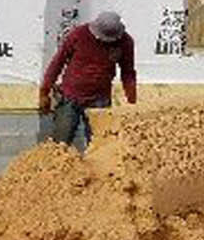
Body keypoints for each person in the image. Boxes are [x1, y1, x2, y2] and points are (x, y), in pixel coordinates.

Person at [38, 11, 137, 148]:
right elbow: (57, 62)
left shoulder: (125, 42)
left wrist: (132, 102)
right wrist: (44, 92)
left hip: (99, 100)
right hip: (70, 97)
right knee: (60, 143)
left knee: (99, 144)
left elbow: (128, 73)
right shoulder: (78, 35)